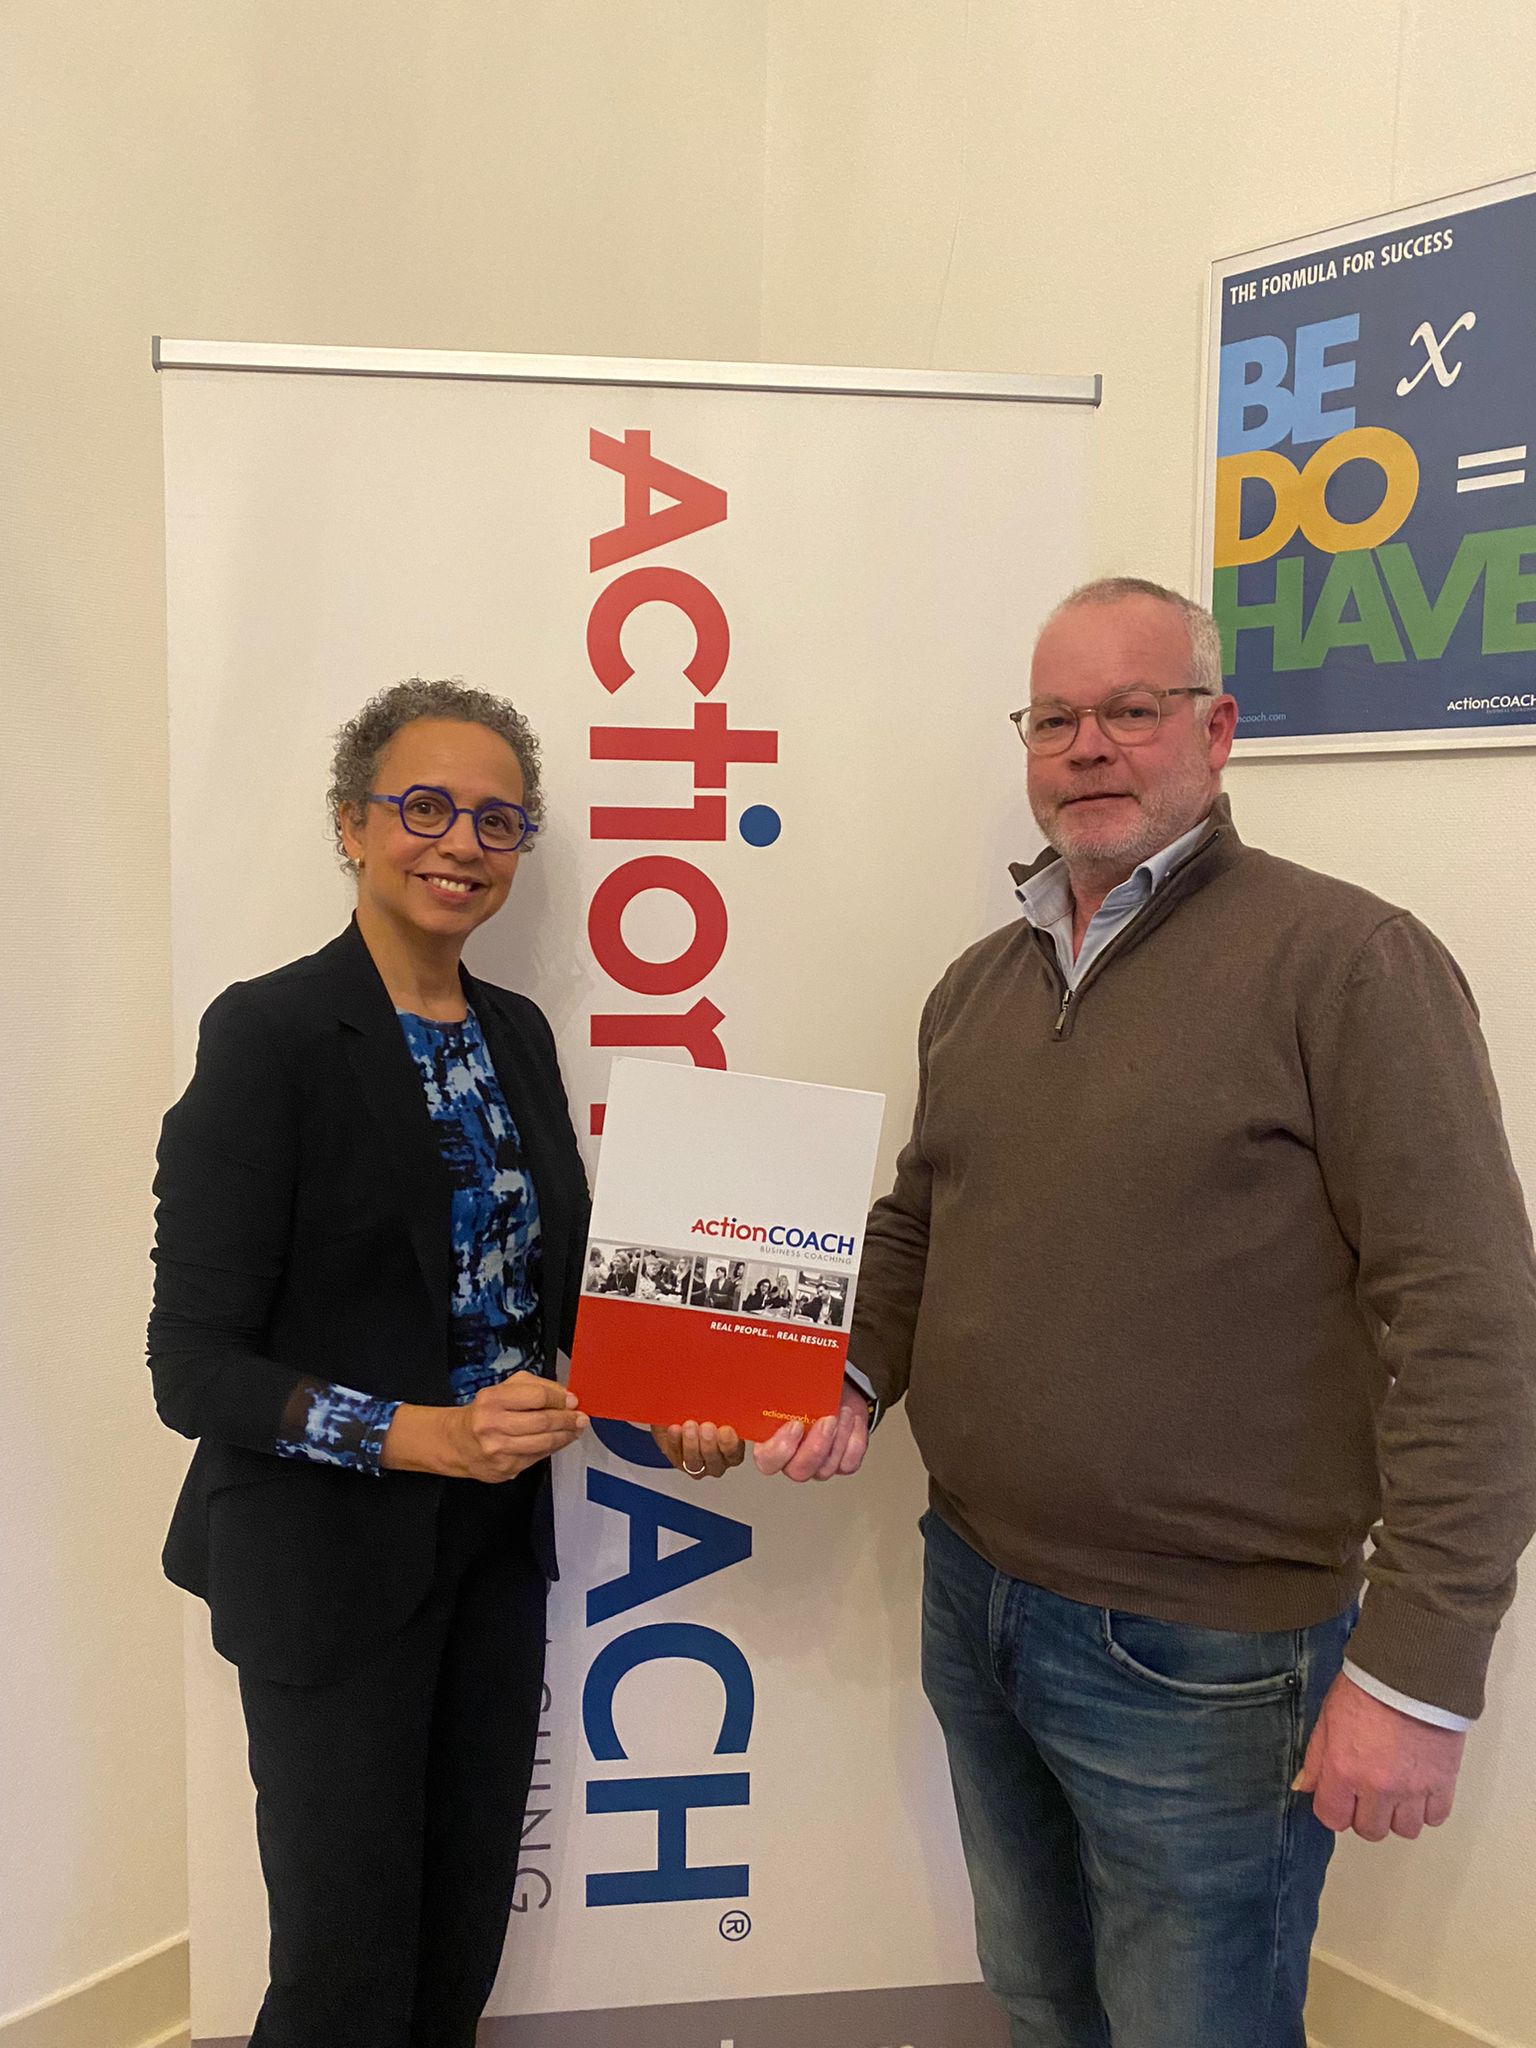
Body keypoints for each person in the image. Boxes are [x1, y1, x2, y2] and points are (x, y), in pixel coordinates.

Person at [838, 577, 1536, 2048]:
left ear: (1216, 732)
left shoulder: (1349, 962)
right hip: (975, 1595)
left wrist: (1420, 1671)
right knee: (1040, 2001)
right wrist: (845, 1375)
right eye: (1055, 719)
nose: (1088, 745)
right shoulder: (978, 985)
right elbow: (918, 1220)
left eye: (1132, 710)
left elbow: (1476, 1322)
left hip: (1208, 1659)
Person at [148, 679, 592, 2048]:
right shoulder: (267, 1035)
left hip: (494, 1553)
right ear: (352, 824)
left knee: (457, 1946)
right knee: (343, 1976)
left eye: (498, 820)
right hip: (324, 1565)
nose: (463, 842)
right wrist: (424, 1434)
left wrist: (693, 1395)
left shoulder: (515, 1033)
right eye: (426, 807)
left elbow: (557, 1295)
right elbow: (194, 1368)